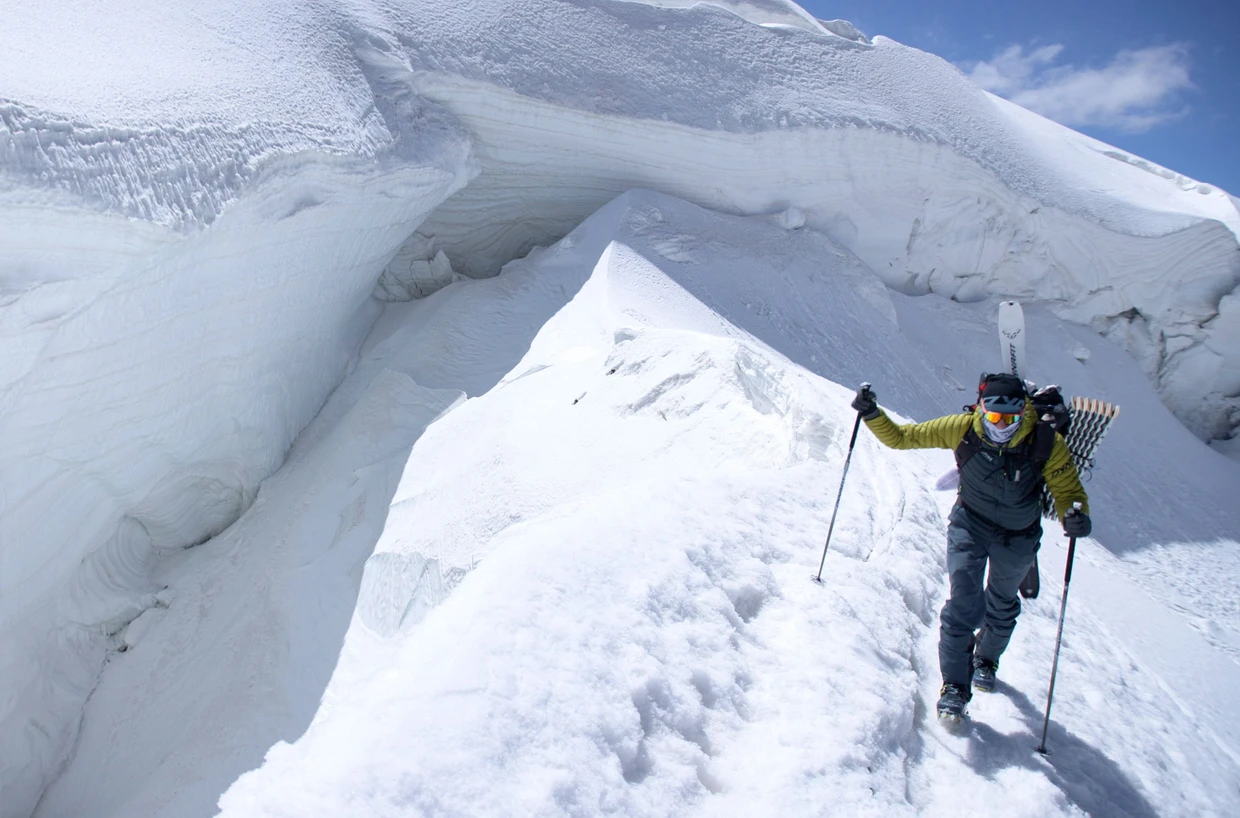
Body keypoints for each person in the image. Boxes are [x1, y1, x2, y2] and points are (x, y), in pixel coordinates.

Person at [851, 375, 1092, 721]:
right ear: (981, 410)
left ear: (1025, 412)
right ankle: (954, 687)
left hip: (1019, 534)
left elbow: (1069, 493)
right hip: (970, 524)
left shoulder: (1045, 442)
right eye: (994, 417)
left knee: (1001, 602)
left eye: (1009, 418)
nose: (1001, 425)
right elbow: (903, 438)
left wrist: (1076, 517)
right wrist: (871, 413)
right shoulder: (963, 428)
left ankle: (986, 659)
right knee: (963, 601)